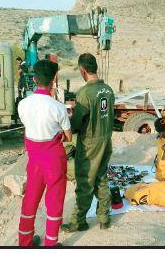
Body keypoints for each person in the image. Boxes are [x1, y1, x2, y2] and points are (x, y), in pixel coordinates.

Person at [17, 59, 72, 247]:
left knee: (31, 198)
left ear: (34, 79)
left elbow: (29, 126)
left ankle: (24, 242)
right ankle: (50, 244)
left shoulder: (23, 104)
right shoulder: (58, 107)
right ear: (54, 79)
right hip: (53, 158)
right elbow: (68, 137)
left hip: (33, 158)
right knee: (55, 199)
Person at [61, 53, 115, 232]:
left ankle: (78, 222)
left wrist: (69, 119)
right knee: (101, 177)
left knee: (85, 182)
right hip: (106, 139)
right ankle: (104, 218)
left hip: (90, 143)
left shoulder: (84, 93)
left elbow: (76, 124)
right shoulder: (108, 89)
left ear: (83, 71)